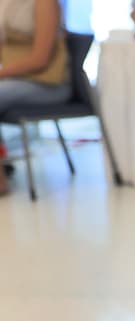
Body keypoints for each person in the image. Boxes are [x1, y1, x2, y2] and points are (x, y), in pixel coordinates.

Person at [0, 0, 68, 196]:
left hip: (47, 82)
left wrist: (2, 73)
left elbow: (40, 59)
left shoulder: (45, 3)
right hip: (14, 79)